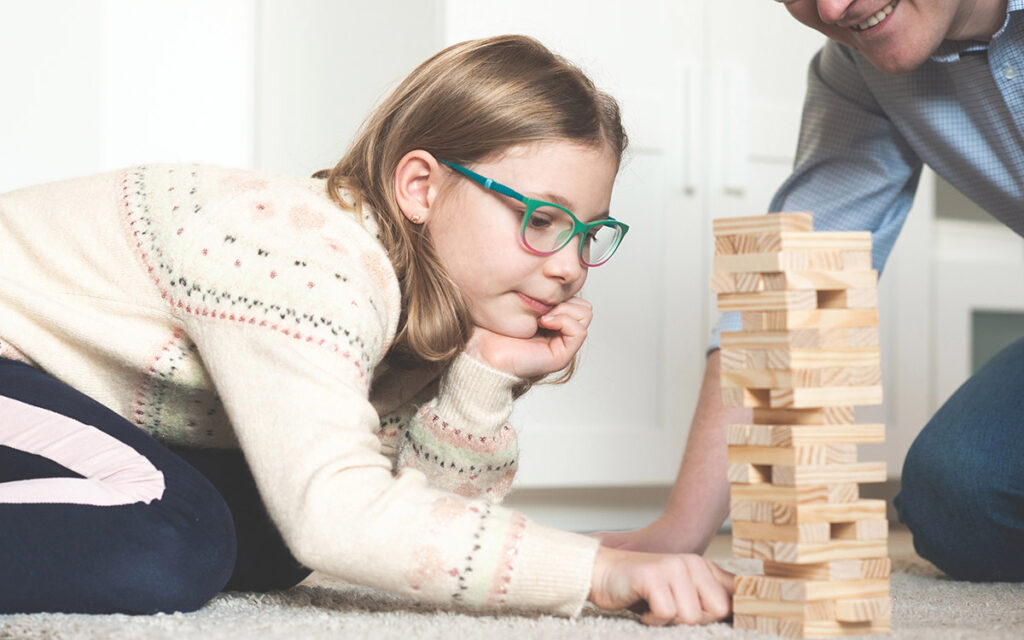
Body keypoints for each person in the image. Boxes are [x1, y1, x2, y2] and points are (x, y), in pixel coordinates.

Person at [0, 35, 734, 625]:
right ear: (422, 187)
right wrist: (596, 570)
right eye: (542, 220)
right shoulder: (304, 256)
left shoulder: (429, 306)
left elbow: (417, 525)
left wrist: (483, 377)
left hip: (44, 398)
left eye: (589, 233)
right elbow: (341, 517)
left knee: (269, 537)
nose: (572, 266)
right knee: (173, 538)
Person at [599, 0, 1024, 582]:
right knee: (956, 502)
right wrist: (681, 530)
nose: (831, 6)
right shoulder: (857, 70)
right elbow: (797, 286)